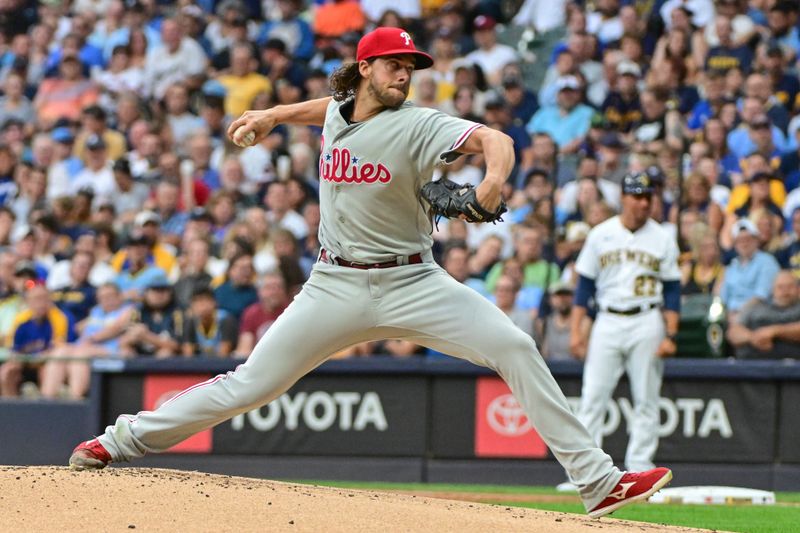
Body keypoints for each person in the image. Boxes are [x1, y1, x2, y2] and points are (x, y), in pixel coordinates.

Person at [69, 27, 671, 519]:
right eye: (391, 65)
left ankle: (598, 482)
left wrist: (490, 182)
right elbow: (325, 112)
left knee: (515, 345)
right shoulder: (337, 113)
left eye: (409, 66)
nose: (404, 75)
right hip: (334, 285)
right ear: (364, 70)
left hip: (415, 282)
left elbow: (496, 138)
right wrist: (274, 115)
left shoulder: (417, 123)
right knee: (250, 384)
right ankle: (119, 440)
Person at [570, 172, 681, 475]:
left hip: (647, 318)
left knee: (647, 398)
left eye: (648, 196)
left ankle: (640, 468)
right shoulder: (600, 234)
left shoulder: (662, 237)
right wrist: (576, 332)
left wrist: (671, 333)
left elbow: (672, 291)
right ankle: (586, 473)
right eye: (637, 196)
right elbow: (584, 289)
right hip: (606, 318)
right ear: (623, 197)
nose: (644, 202)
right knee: (593, 396)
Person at [0, 283, 77, 398]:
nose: (41, 303)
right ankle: (11, 407)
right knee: (7, 371)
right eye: (36, 299)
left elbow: (59, 348)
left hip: (45, 362)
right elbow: (13, 347)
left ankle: (42, 405)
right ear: (28, 301)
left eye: (44, 298)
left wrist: (38, 358)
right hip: (24, 362)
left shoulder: (59, 318)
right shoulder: (22, 319)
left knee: (46, 371)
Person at [726, 270, 800, 359]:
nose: (785, 291)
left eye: (790, 286)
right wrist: (753, 337)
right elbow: (733, 333)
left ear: (798, 289)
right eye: (780, 287)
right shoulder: (756, 308)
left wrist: (775, 331)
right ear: (772, 290)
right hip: (750, 367)